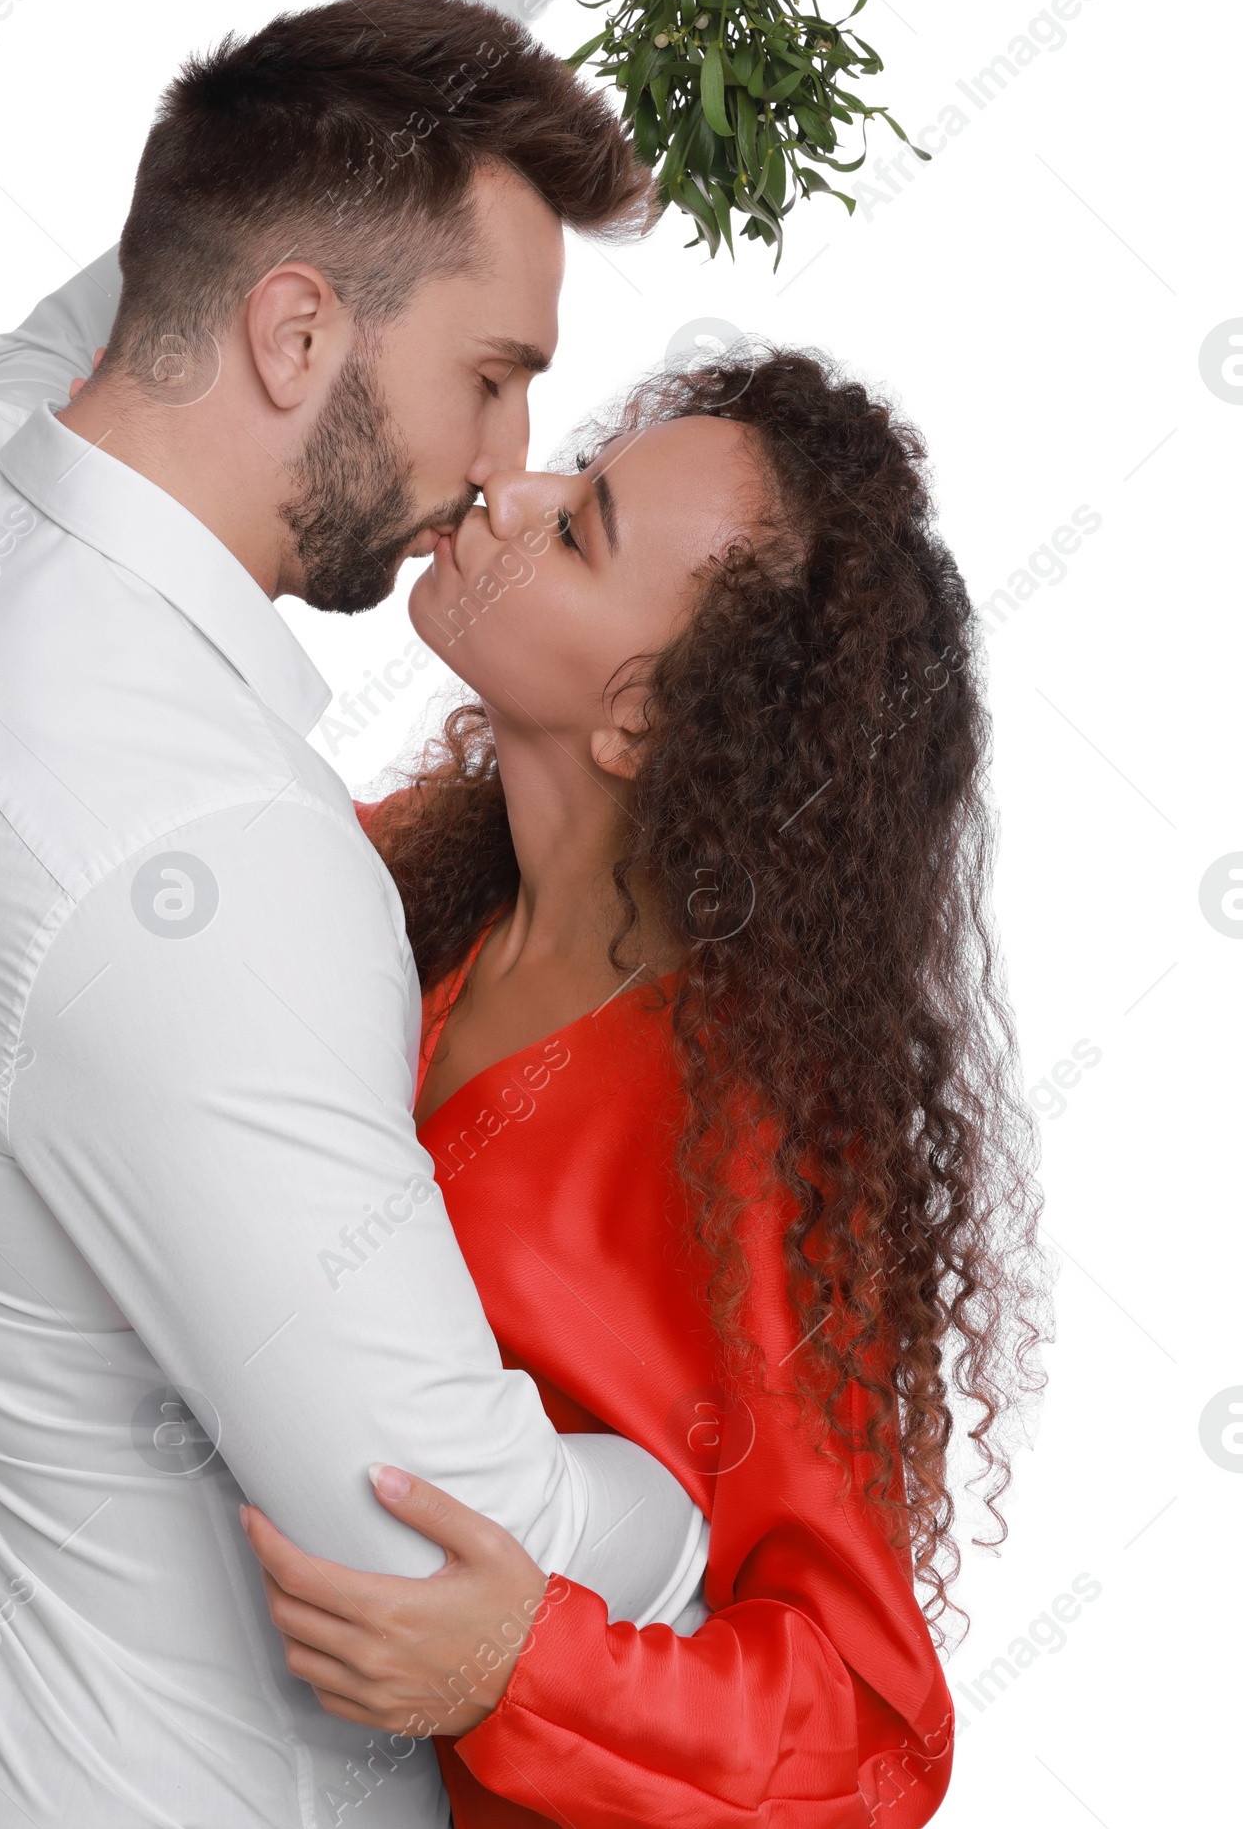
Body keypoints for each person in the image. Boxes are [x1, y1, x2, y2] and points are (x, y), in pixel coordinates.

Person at [0, 0, 818, 1828]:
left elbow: (271, 168)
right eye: (497, 380)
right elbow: (435, 1530)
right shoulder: (219, 880)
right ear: (300, 339)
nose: (505, 465)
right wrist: (684, 1507)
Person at [238, 352, 1049, 1826]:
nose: (511, 486)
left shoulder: (751, 1128)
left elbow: (864, 1729)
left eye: (578, 526)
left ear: (641, 719)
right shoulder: (415, 879)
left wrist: (520, 1664)